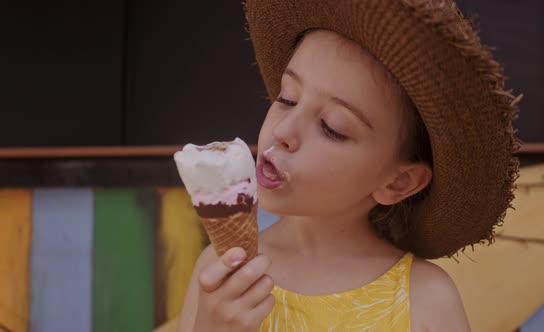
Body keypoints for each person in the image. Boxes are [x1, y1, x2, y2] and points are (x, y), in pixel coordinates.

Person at [177, 0, 520, 331]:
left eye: (332, 127)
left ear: (398, 182)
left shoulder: (427, 299)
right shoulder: (219, 272)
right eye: (287, 98)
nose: (283, 131)